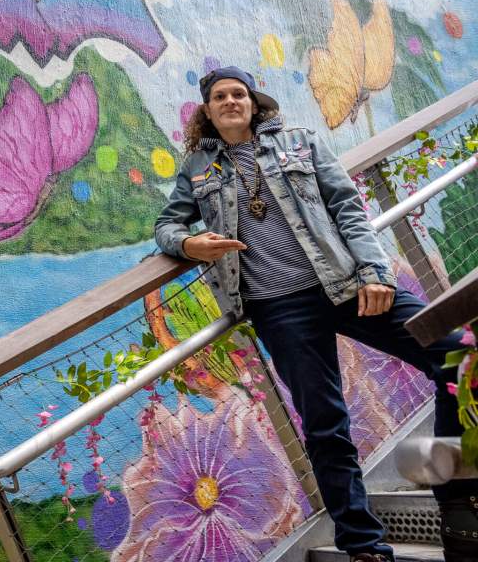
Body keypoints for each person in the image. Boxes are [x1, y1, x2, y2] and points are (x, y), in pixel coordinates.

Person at [154, 66, 478, 562]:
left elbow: (347, 206)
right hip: (279, 309)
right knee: (326, 426)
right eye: (219, 96)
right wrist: (188, 242)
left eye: (239, 93)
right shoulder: (199, 167)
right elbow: (167, 224)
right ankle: (364, 546)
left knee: (456, 353)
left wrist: (375, 271)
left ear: (254, 101)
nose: (230, 101)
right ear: (208, 109)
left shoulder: (299, 142)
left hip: (349, 286)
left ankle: (455, 485)